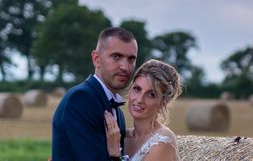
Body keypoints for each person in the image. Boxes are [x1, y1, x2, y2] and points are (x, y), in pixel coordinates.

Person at [52, 27, 138, 160]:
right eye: (116, 57)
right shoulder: (80, 99)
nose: (125, 67)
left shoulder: (117, 112)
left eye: (131, 59)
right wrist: (116, 155)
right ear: (96, 59)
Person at [104, 60, 183, 161]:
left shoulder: (162, 143)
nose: (140, 99)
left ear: (164, 102)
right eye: (137, 89)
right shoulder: (123, 136)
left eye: (151, 94)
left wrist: (115, 153)